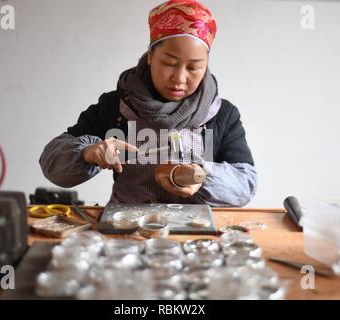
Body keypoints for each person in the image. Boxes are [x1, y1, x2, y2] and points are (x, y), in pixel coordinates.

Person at [39, 0, 257, 207]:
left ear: (206, 64)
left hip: (197, 233)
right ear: (151, 55)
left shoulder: (221, 114)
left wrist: (200, 175)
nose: (180, 78)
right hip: (129, 232)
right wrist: (89, 153)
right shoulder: (116, 107)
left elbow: (246, 184)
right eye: (169, 63)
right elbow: (52, 165)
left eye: (193, 68)